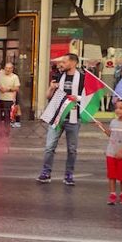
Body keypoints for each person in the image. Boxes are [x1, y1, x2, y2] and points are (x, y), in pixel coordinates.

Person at [37, 53, 85, 185]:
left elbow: (87, 98)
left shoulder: (82, 78)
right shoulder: (58, 76)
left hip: (73, 118)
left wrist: (78, 98)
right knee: (49, 147)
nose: (61, 64)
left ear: (73, 63)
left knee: (72, 149)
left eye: (64, 61)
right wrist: (51, 88)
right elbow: (48, 96)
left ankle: (69, 174)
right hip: (57, 117)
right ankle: (46, 172)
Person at [96, 100, 122, 205]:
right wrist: (102, 127)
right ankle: (112, 194)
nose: (118, 110)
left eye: (121, 108)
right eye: (117, 108)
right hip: (111, 152)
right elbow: (111, 134)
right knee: (111, 175)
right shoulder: (113, 122)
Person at [0, 62, 20, 134]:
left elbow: (17, 88)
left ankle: (6, 131)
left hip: (8, 99)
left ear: (12, 69)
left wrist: (8, 89)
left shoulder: (15, 77)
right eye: (6, 68)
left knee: (7, 116)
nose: (8, 70)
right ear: (4, 68)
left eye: (9, 68)